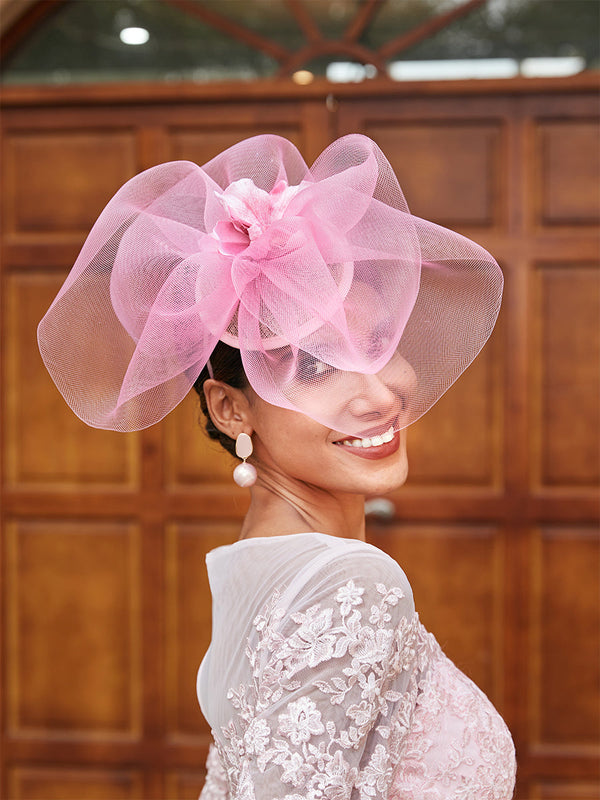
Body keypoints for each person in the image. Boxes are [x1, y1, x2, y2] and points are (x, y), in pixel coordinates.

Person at [38, 134, 516, 799]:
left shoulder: (253, 568)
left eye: (378, 344)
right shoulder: (351, 579)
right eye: (313, 367)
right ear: (232, 411)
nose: (379, 396)